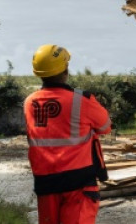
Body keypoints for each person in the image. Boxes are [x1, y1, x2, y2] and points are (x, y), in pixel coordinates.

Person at [24, 44, 111, 224]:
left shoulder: (29, 102)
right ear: (65, 69)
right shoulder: (81, 100)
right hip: (78, 182)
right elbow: (105, 127)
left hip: (45, 182)